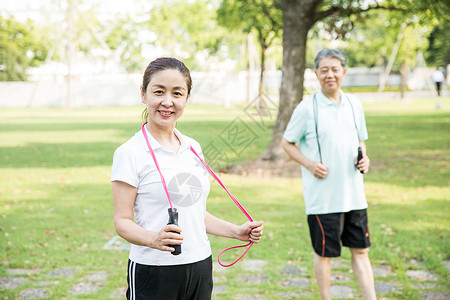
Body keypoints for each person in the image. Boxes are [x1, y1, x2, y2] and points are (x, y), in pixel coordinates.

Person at [111, 57, 264, 300]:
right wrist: (154, 239)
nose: (167, 101)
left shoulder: (193, 147)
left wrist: (236, 232)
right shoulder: (129, 153)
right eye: (158, 91)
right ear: (143, 94)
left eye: (177, 93)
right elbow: (122, 221)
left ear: (186, 98)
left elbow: (194, 212)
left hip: (200, 265)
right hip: (154, 270)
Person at [281, 49, 376, 300]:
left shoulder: (355, 105)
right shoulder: (306, 107)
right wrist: (310, 164)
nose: (330, 74)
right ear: (316, 74)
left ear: (344, 72)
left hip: (354, 195)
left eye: (335, 69)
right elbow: (286, 143)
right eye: (324, 70)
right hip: (322, 198)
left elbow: (361, 141)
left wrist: (364, 159)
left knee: (361, 251)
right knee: (324, 254)